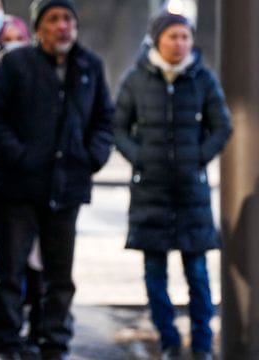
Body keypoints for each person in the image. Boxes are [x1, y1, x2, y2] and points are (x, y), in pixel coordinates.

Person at [0, 0, 114, 358]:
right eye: (53, 19)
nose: (62, 26)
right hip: (17, 189)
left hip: (67, 188)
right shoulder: (14, 63)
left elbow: (105, 120)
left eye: (67, 18)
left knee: (60, 277)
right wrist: (19, 156)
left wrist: (91, 158)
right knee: (9, 273)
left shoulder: (90, 65)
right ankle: (6, 343)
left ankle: (53, 342)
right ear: (38, 27)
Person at [114, 12, 231, 360]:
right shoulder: (136, 79)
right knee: (154, 272)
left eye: (185, 37)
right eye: (173, 36)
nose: (180, 43)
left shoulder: (203, 79)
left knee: (197, 272)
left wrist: (198, 157)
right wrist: (141, 157)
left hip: (191, 192)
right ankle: (167, 340)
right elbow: (118, 127)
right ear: (157, 40)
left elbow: (221, 127)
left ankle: (200, 343)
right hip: (150, 191)